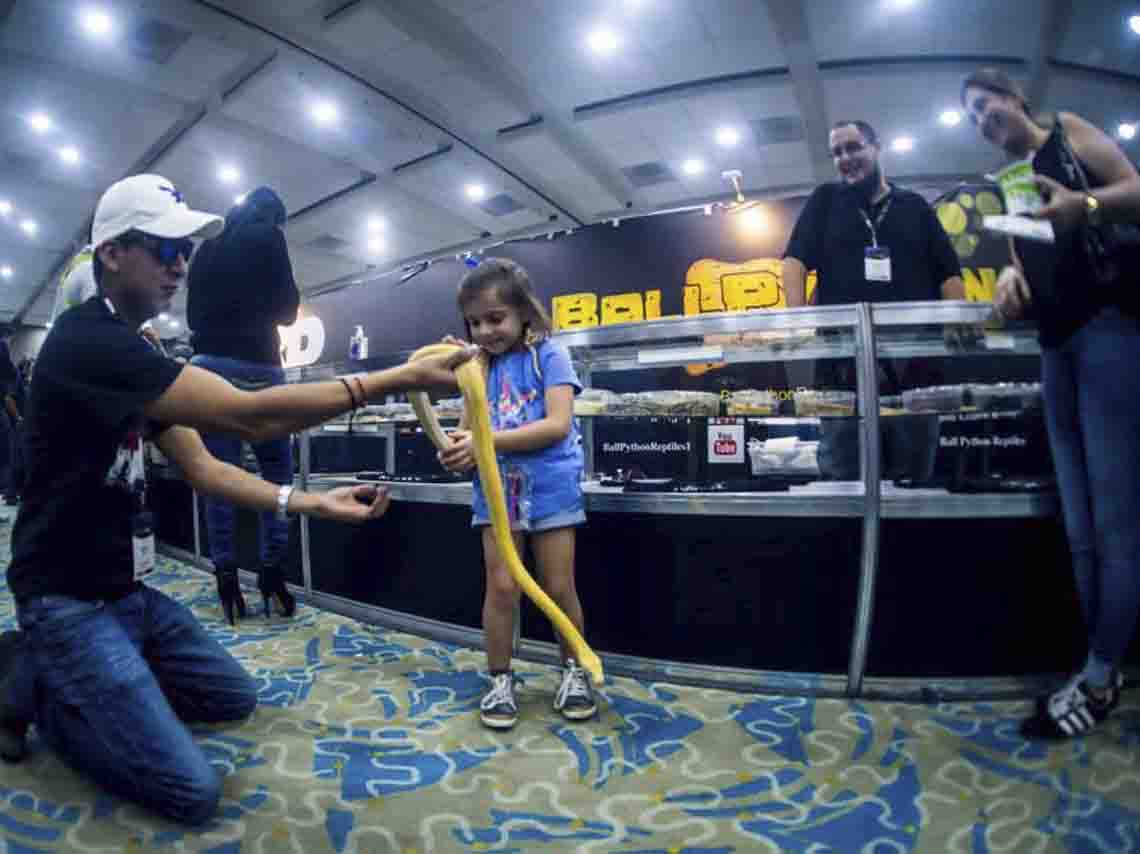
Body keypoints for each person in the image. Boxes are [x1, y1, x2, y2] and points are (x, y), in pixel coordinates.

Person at [0, 173, 473, 825]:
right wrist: (391, 379)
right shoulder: (87, 342)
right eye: (164, 249)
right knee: (189, 792)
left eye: (185, 251)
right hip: (65, 600)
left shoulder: (132, 352)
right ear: (113, 253)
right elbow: (250, 417)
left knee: (231, 696)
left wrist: (310, 503)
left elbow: (206, 470)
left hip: (127, 595)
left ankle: (99, 679)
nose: (179, 266)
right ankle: (33, 677)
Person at [961, 68, 1140, 739]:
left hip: (1111, 331)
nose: (982, 120)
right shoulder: (1010, 179)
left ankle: (1097, 677)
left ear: (1016, 99)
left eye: (987, 105)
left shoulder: (1070, 134)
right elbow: (1023, 251)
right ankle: (1104, 660)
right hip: (1054, 345)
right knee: (1079, 521)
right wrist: (1010, 274)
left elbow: (1135, 192)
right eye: (972, 116)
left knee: (1117, 518)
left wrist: (1084, 207)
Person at [437, 258, 596, 730]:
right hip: (496, 490)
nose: (485, 330)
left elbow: (557, 424)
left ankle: (575, 671)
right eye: (474, 322)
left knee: (558, 586)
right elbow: (465, 429)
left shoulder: (551, 354)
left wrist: (483, 443)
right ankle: (500, 677)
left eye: (495, 318)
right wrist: (457, 449)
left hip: (550, 486)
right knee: (502, 588)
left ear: (524, 311)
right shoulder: (478, 366)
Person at [781, 119, 966, 481]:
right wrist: (795, 318)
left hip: (916, 371)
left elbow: (949, 273)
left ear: (876, 147)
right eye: (837, 152)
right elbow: (794, 260)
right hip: (841, 369)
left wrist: (958, 325)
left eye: (854, 147)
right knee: (844, 480)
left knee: (913, 482)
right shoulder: (825, 201)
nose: (845, 158)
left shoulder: (915, 207)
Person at [187, 187, 300, 623]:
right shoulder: (268, 236)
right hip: (259, 367)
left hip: (208, 369)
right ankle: (273, 573)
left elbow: (195, 318)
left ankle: (227, 579)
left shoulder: (206, 249)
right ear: (272, 215)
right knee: (277, 478)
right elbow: (289, 312)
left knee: (219, 479)